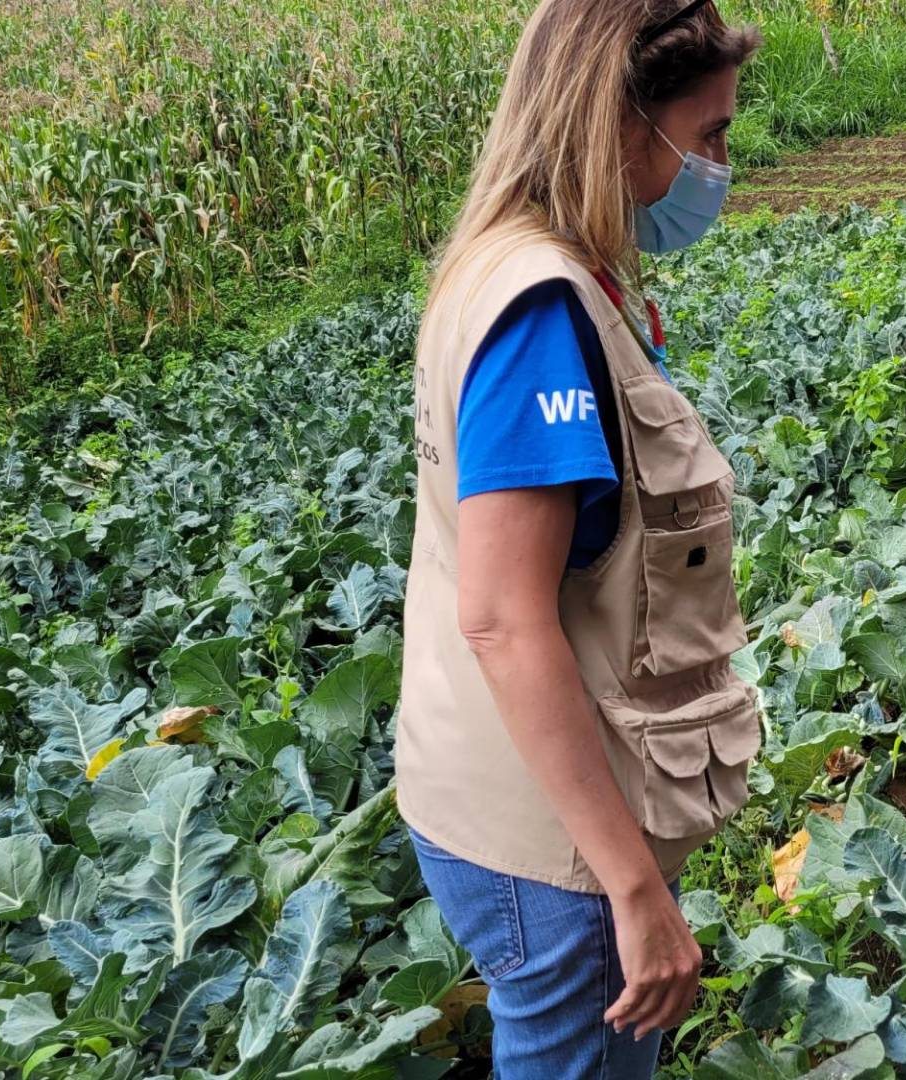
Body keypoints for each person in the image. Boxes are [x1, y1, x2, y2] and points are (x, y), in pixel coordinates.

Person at [395, 1, 762, 1076]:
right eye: (709, 136)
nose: (718, 167)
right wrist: (631, 888)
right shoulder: (539, 312)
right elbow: (505, 620)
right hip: (554, 848)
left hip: (505, 792)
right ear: (616, 121)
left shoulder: (506, 263)